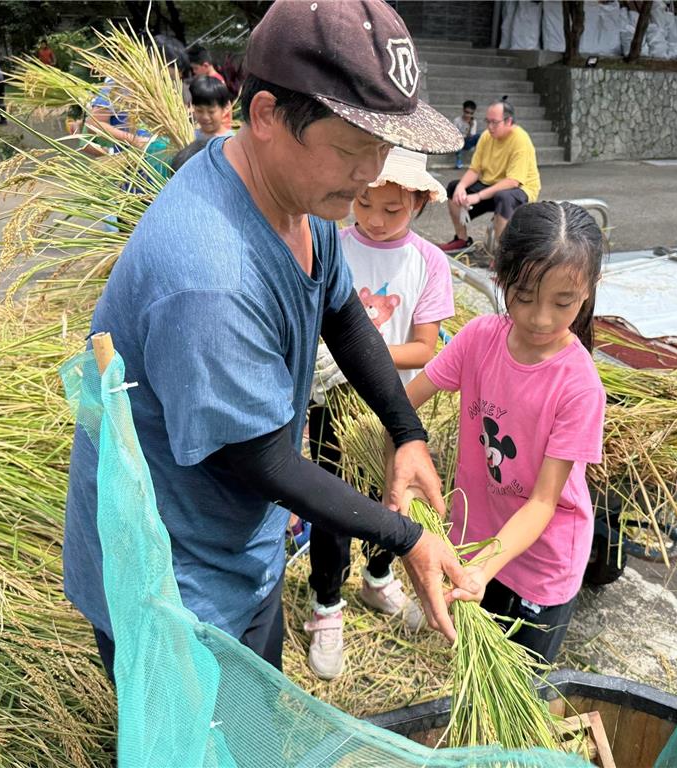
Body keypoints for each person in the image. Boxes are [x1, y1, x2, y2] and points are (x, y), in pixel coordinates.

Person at [63, 0, 470, 682]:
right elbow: (257, 461)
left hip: (238, 547)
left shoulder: (295, 197)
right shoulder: (209, 276)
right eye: (351, 149)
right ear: (267, 117)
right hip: (174, 579)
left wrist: (406, 432)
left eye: (382, 149)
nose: (371, 174)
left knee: (257, 722)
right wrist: (404, 536)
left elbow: (341, 312)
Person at [407, 201, 606, 663]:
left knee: (521, 684)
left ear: (588, 293)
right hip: (473, 541)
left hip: (540, 566)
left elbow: (542, 501)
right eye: (524, 295)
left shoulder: (578, 385)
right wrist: (396, 448)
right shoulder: (479, 338)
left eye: (563, 303)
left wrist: (481, 568)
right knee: (472, 665)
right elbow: (407, 401)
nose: (540, 318)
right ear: (500, 276)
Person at [305, 147, 455, 680]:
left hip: (396, 411)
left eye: (391, 210)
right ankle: (326, 606)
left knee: (392, 502)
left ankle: (376, 575)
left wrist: (354, 355)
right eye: (363, 203)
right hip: (333, 407)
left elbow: (423, 349)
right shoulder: (332, 247)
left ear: (417, 201)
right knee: (331, 505)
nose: (373, 218)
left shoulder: (428, 263)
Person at [439, 97, 541, 254]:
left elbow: (513, 182)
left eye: (495, 122)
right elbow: (475, 170)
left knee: (504, 197)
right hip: (490, 186)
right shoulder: (486, 136)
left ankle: (503, 255)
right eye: (488, 121)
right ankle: (462, 239)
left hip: (520, 189)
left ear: (509, 121)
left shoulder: (521, 140)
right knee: (453, 188)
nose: (490, 127)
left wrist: (478, 196)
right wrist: (461, 186)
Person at [190, 75, 233, 140]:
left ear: (225, 108)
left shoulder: (230, 141)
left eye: (211, 111)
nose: (205, 117)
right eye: (199, 110)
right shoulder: (191, 138)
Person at [453, 99, 479, 169]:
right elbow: (455, 135)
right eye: (467, 112)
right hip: (459, 142)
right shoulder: (457, 120)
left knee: (479, 136)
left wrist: (470, 126)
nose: (468, 115)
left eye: (471, 113)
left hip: (468, 142)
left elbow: (472, 136)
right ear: (463, 110)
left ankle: (478, 161)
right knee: (458, 139)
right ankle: (459, 161)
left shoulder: (473, 122)